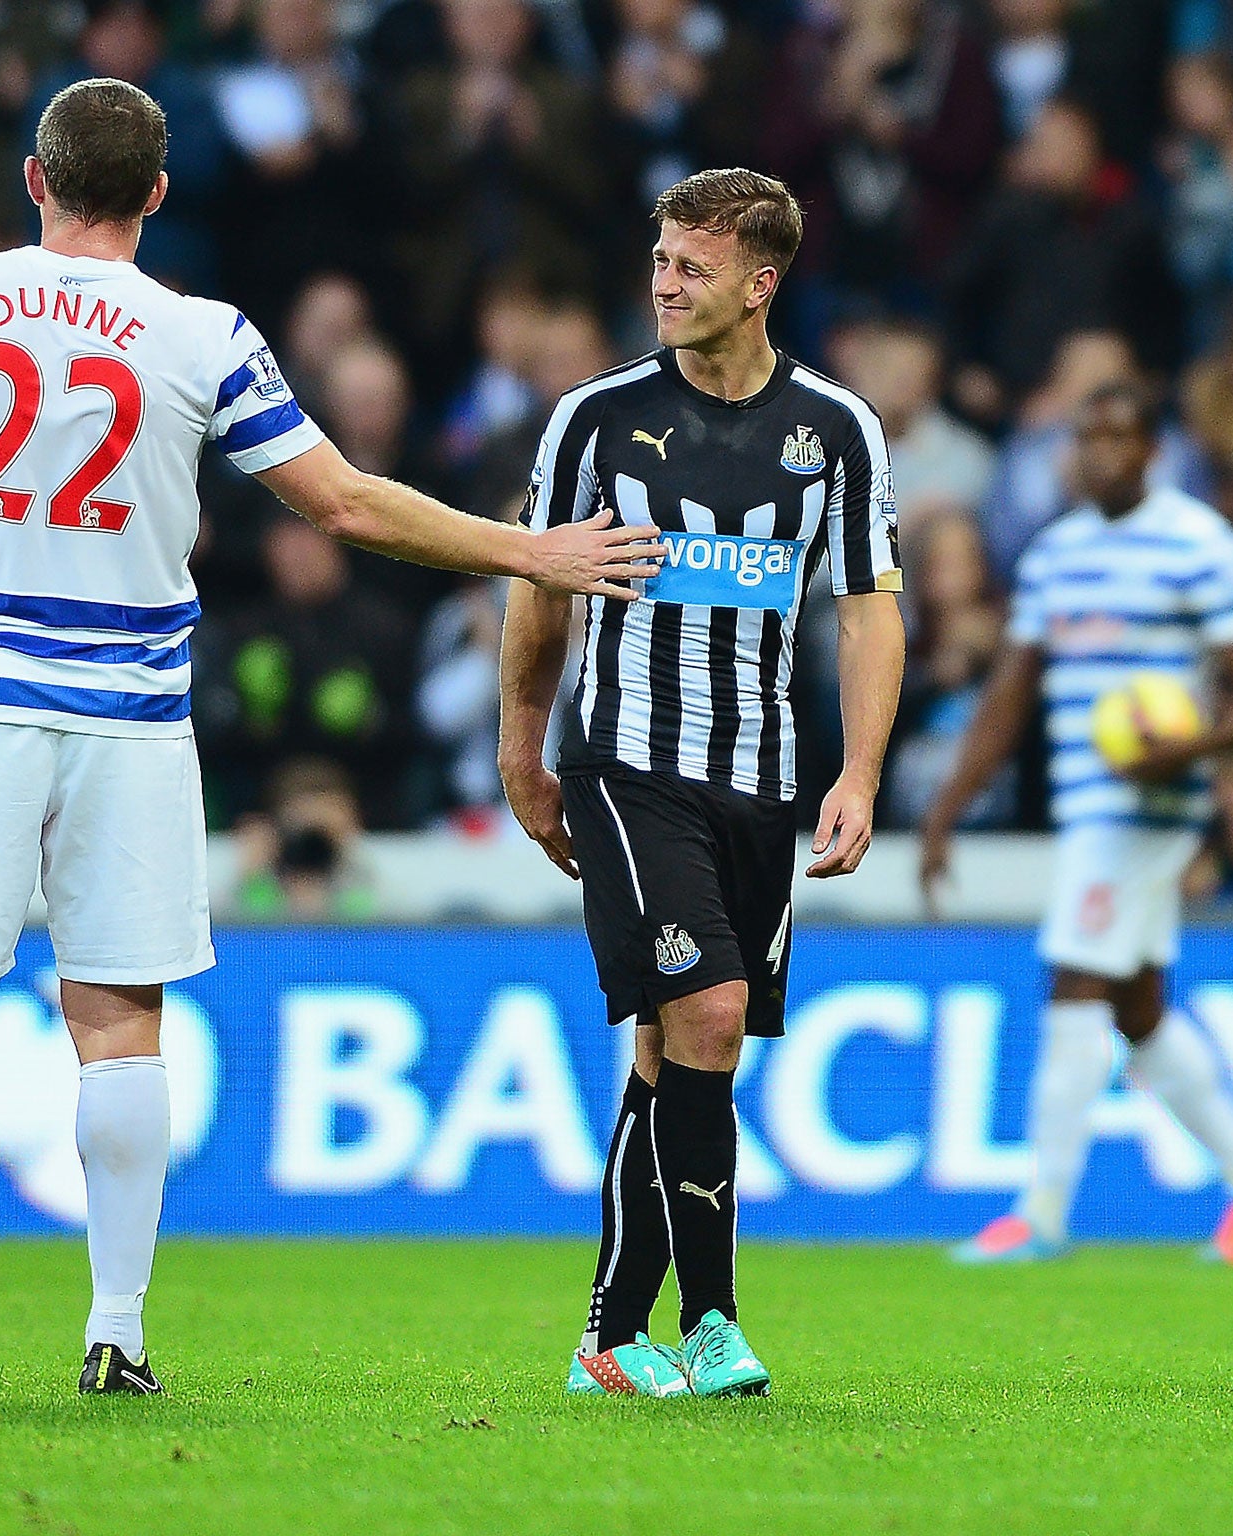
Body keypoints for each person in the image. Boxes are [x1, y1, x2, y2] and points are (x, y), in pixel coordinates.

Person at [0, 77, 664, 1398]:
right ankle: (115, 1331)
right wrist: (532, 549)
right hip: (126, 708)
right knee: (119, 1017)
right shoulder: (203, 332)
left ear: (34, 179)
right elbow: (342, 503)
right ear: (160, 195)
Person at [497, 169, 907, 1399]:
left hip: (762, 781)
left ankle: (609, 1338)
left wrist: (860, 774)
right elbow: (536, 583)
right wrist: (521, 742)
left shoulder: (833, 430)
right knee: (708, 1012)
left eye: (690, 267)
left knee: (671, 1052)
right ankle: (715, 1320)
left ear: (758, 283)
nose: (662, 286)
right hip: (624, 762)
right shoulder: (595, 419)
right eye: (660, 261)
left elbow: (868, 611)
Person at [919, 384, 1233, 1268]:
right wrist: (950, 805)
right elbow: (1012, 688)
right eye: (1088, 438)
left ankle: (1040, 1214)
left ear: (1153, 448)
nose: (1100, 454)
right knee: (1138, 1010)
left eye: (1119, 437)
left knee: (1074, 983)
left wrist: (1189, 745)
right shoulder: (1057, 552)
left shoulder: (1199, 545)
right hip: (1087, 800)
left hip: (1150, 804)